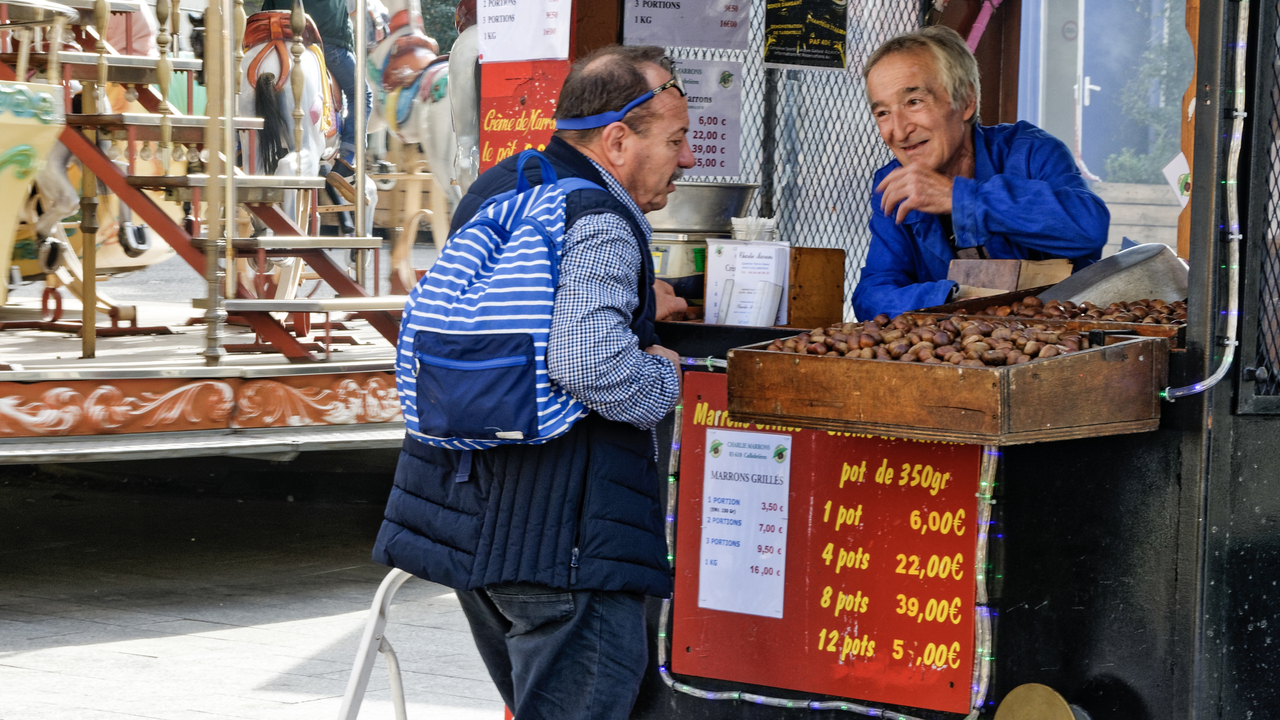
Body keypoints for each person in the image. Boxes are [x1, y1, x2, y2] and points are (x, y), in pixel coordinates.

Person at [373, 45, 694, 720]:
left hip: (469, 528)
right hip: (563, 545)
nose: (688, 158)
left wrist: (636, 306)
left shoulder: (502, 184)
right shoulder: (599, 218)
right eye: (675, 140)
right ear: (617, 141)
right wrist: (667, 377)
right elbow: (587, 363)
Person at [851, 26, 1109, 320]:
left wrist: (962, 198)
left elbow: (1089, 228)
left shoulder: (1030, 152)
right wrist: (955, 297)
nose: (898, 131)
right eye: (883, 113)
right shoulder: (895, 184)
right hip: (963, 343)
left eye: (914, 102)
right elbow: (872, 295)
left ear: (966, 101)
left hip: (1059, 338)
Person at [260, 0, 372, 203]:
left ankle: (238, 144)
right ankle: (346, 161)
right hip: (326, 42)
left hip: (276, 40)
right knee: (362, 94)